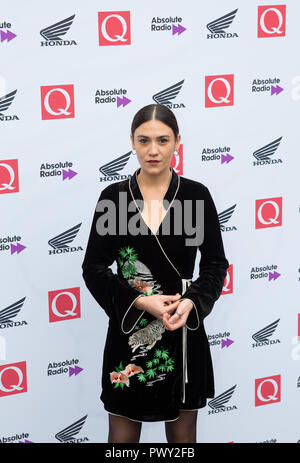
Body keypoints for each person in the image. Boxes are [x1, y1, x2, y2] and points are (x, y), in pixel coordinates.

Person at [81, 103, 229, 443]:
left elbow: (214, 264)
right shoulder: (114, 199)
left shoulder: (195, 197)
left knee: (182, 439)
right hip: (129, 330)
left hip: (182, 327)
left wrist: (193, 302)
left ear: (178, 142)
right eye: (143, 140)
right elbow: (94, 268)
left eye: (162, 140)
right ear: (132, 142)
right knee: (122, 440)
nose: (153, 150)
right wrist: (139, 302)